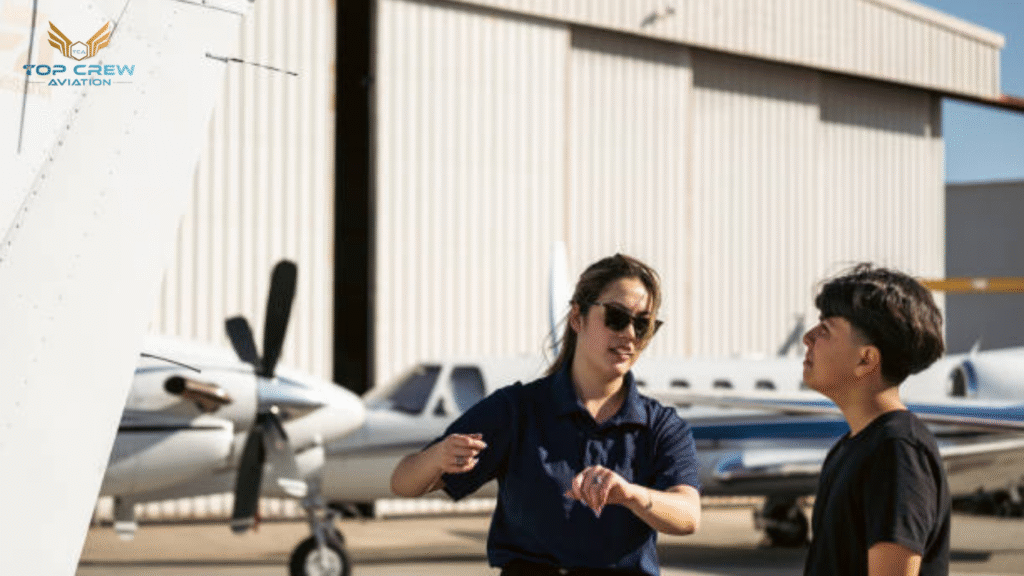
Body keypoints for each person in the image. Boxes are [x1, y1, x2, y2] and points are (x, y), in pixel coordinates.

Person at [390, 254, 701, 575]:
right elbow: (402, 482)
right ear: (577, 318)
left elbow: (689, 515)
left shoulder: (662, 426)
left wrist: (631, 495)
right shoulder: (516, 410)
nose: (631, 335)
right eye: (617, 317)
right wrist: (437, 457)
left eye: (643, 324)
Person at [802, 264, 950, 576]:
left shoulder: (898, 451)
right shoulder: (852, 447)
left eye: (825, 330)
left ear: (866, 359)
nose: (808, 338)